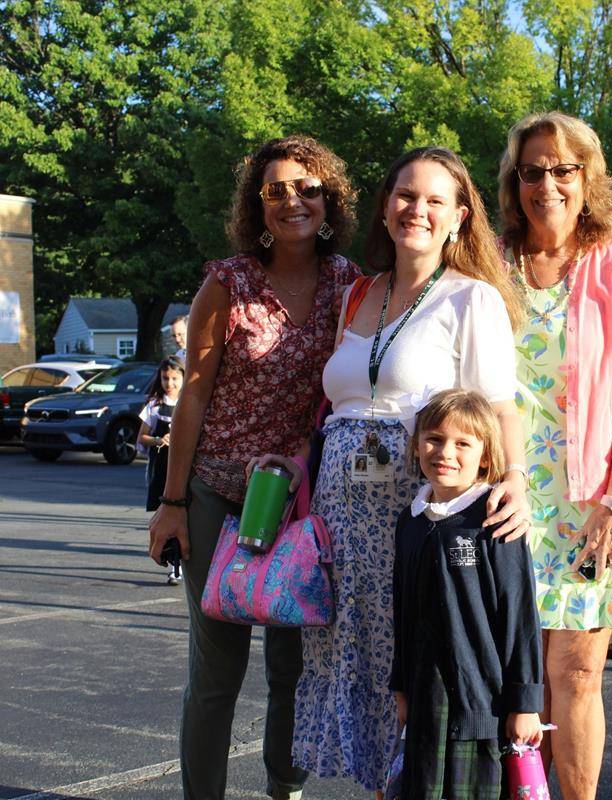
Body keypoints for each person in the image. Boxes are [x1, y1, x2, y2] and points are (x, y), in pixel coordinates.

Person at [287, 147, 531, 796]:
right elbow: (337, 400)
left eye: (433, 199)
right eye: (404, 195)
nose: (415, 209)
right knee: (352, 665)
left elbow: (497, 407)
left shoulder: (470, 300)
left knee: (405, 664)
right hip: (341, 520)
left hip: (412, 519)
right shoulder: (358, 294)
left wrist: (517, 480)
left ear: (459, 217)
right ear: (385, 207)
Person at [147, 135, 360, 800]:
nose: (292, 201)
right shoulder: (227, 282)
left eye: (308, 188)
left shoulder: (348, 284)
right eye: (276, 190)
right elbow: (195, 398)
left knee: (292, 666)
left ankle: (283, 790)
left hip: (301, 502)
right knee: (217, 672)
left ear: (330, 201)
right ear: (257, 203)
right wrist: (173, 502)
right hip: (217, 492)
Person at [497, 111, 612, 800]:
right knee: (509, 679)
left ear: (588, 179)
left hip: (591, 503)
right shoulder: (490, 264)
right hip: (501, 496)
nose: (548, 184)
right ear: (515, 181)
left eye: (563, 169)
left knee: (576, 678)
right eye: (533, 170)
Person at [391, 389, 544, 800]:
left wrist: (525, 703)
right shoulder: (410, 522)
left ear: (486, 457)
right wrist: (401, 687)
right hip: (424, 700)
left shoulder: (495, 523)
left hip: (482, 705)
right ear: (416, 443)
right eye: (435, 438)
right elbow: (401, 611)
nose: (445, 452)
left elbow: (520, 616)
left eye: (463, 443)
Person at [137, 355, 185, 584]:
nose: (170, 383)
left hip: (185, 465)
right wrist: (158, 440)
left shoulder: (190, 402)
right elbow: (142, 437)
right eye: (166, 378)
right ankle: (174, 564)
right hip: (163, 467)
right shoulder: (155, 405)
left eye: (175, 378)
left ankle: (183, 564)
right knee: (166, 515)